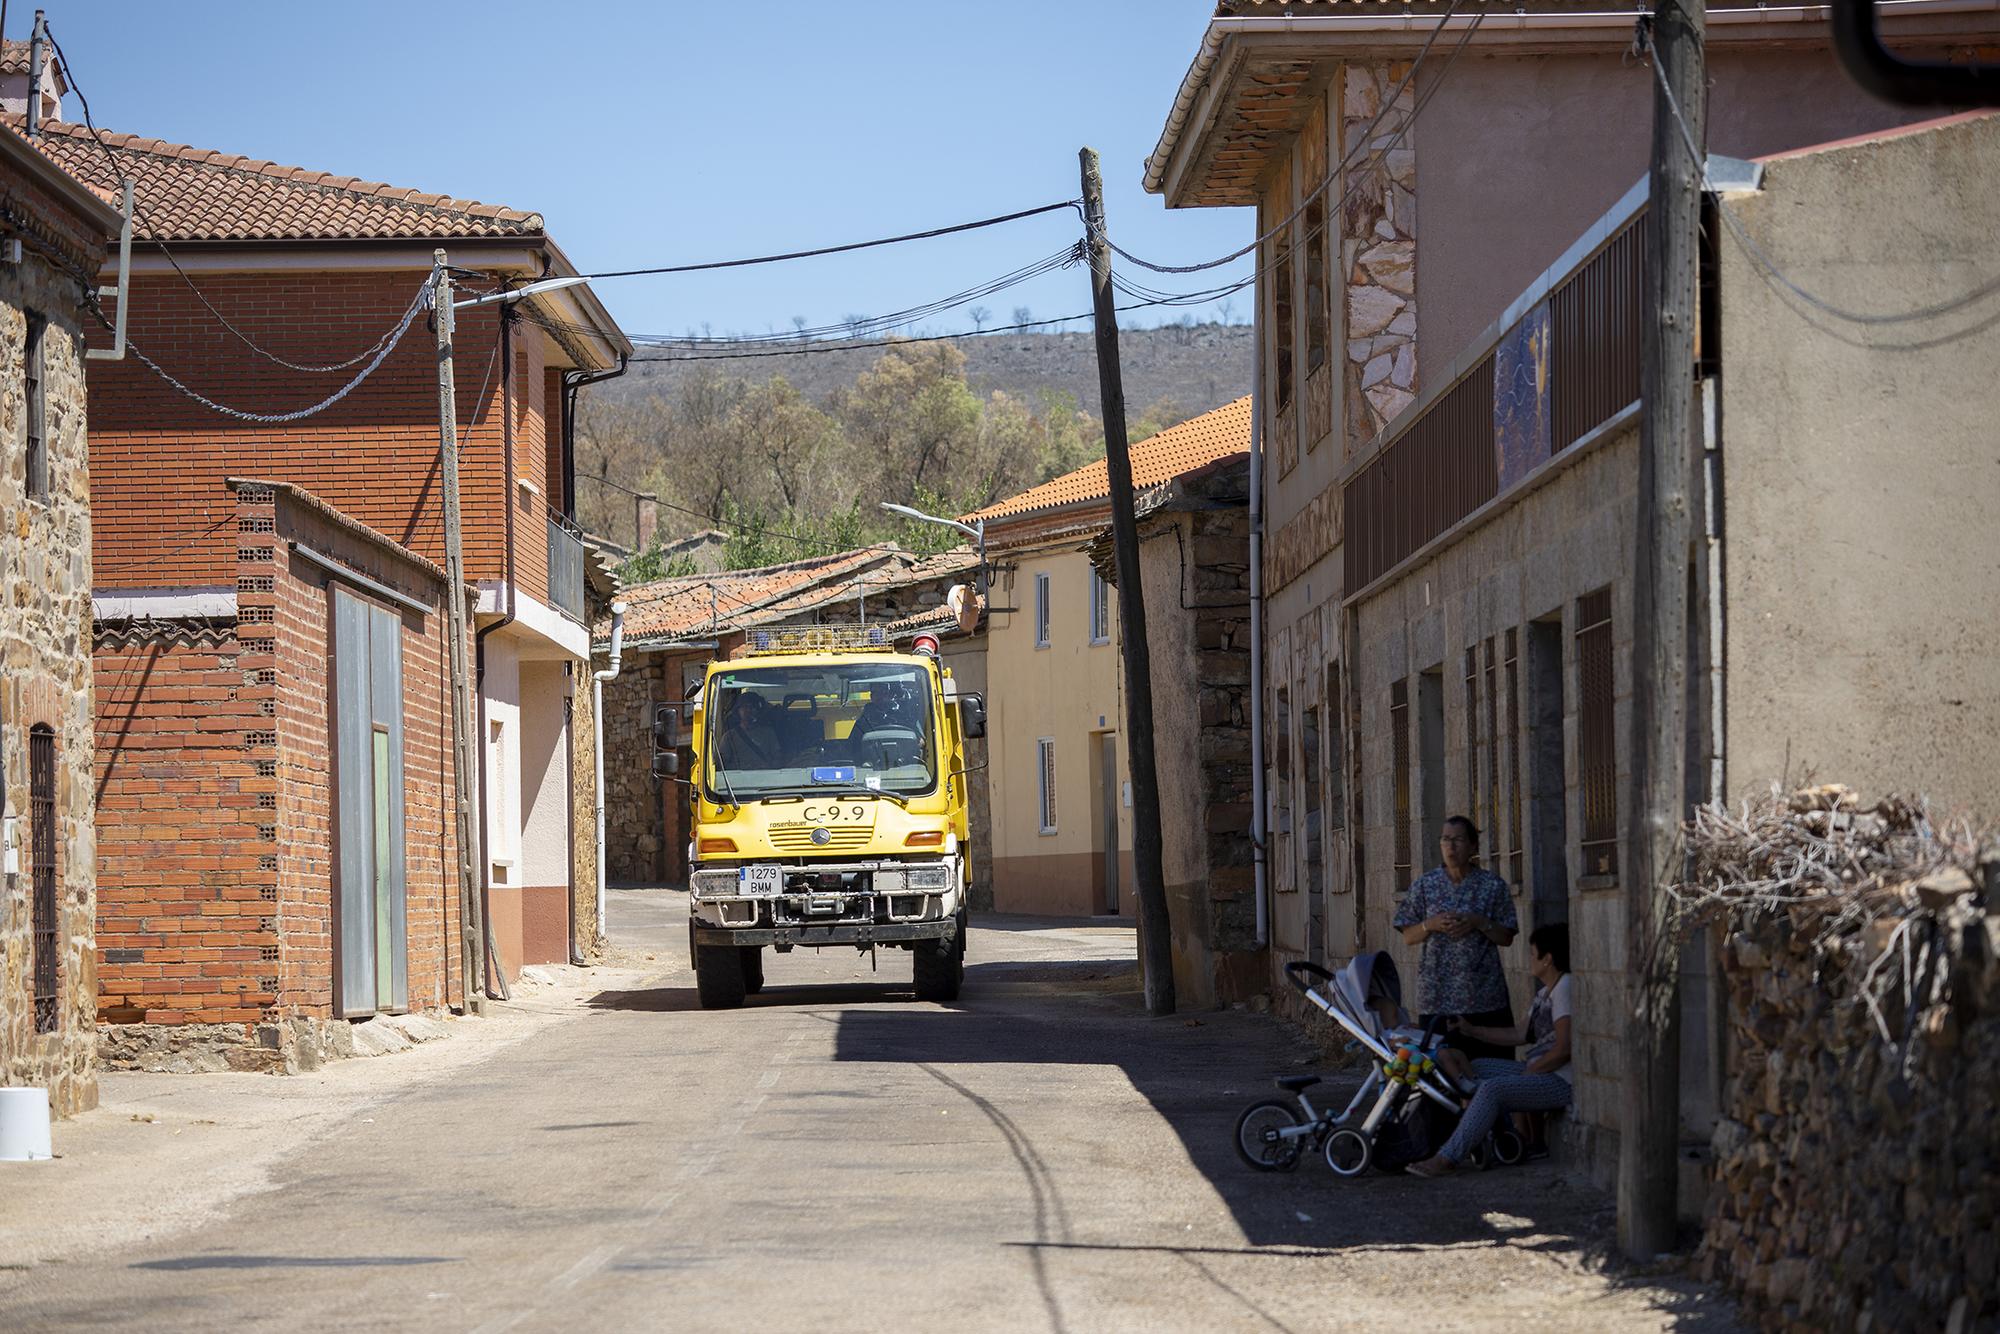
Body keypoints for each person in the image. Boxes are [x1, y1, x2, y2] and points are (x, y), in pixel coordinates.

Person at [1407, 922, 1572, 1177]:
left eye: (1531, 953)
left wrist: (1531, 1072)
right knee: (1476, 1067)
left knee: (1492, 1089)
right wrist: (1471, 1030)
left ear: (1547, 959)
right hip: (1537, 1070)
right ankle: (1496, 1132)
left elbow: (1563, 1049)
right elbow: (1519, 1034)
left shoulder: (1565, 989)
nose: (1528, 959)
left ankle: (1447, 1157)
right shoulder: (1545, 993)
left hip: (1558, 1079)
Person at [1393, 816, 1518, 1059]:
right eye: (1445, 839)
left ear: (1472, 846)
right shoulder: (1425, 886)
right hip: (1438, 999)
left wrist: (1478, 921)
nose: (1451, 846)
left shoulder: (1492, 886)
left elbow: (1507, 937)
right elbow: (1408, 936)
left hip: (1485, 998)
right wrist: (1432, 924)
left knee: (1491, 1069)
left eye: (1458, 840)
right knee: (1442, 1074)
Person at [717, 693, 784, 770]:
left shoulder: (769, 733)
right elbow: (722, 764)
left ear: (758, 710)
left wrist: (768, 768)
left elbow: (778, 758)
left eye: (752, 707)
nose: (749, 710)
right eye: (745, 707)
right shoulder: (729, 737)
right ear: (737, 710)